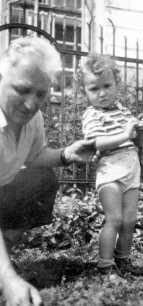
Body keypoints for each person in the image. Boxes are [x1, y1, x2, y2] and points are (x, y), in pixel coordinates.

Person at [0, 37, 98, 306]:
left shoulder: (32, 116)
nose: (31, 104)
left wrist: (67, 154)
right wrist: (8, 280)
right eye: (22, 89)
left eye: (41, 94)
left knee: (41, 180)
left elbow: (35, 157)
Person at [78, 53, 143, 283]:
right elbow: (96, 142)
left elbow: (133, 142)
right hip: (110, 173)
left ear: (116, 85)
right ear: (85, 91)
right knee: (114, 219)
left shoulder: (123, 111)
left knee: (129, 220)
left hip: (130, 169)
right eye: (94, 88)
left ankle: (123, 260)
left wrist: (137, 134)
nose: (102, 93)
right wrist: (125, 133)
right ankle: (106, 267)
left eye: (107, 86)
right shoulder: (91, 114)